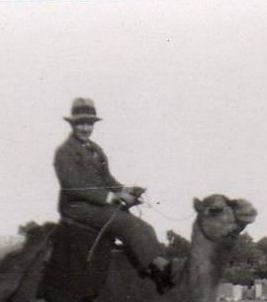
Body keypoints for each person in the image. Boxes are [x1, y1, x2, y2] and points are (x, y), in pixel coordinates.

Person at [53, 98, 175, 291]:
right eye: (81, 123)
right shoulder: (64, 152)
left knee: (146, 227)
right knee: (129, 225)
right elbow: (73, 186)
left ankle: (152, 270)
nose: (85, 128)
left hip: (95, 206)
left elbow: (107, 180)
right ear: (73, 124)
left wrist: (125, 190)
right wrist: (112, 198)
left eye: (89, 123)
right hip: (76, 208)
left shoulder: (95, 150)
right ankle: (159, 271)